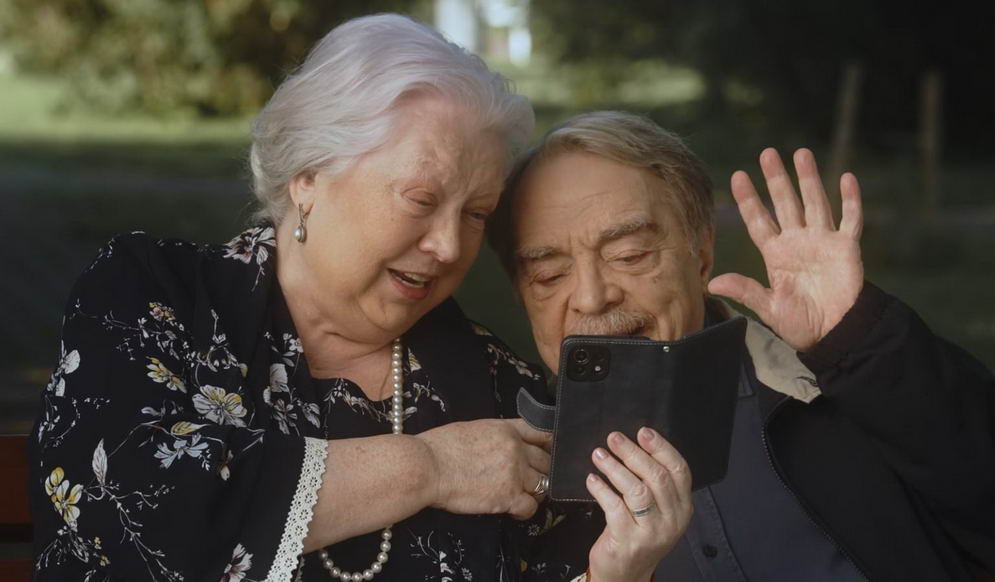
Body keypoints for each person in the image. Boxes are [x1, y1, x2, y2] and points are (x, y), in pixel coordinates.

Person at [27, 19, 687, 582]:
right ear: (308, 175)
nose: (448, 245)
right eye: (421, 200)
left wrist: (616, 574)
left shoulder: (497, 385)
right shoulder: (151, 295)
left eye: (476, 213)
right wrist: (426, 466)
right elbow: (128, 506)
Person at [488, 110, 995, 581]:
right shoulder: (513, 476)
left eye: (630, 254)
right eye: (549, 275)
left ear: (701, 253)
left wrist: (860, 340)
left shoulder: (844, 376)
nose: (592, 297)